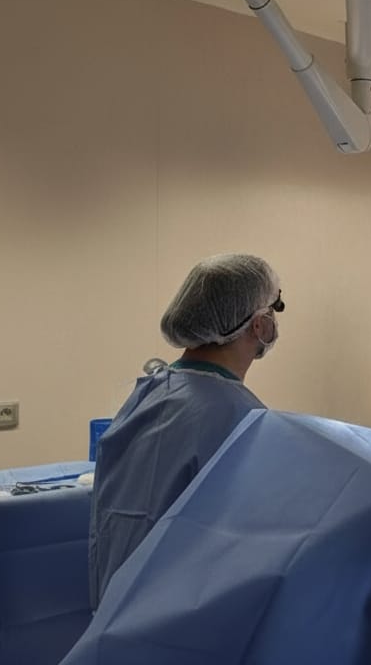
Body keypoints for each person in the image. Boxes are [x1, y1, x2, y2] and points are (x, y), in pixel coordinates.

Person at [89, 253, 283, 607]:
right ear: (260, 325)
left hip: (119, 609)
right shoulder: (239, 417)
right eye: (275, 308)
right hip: (186, 617)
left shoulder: (147, 394)